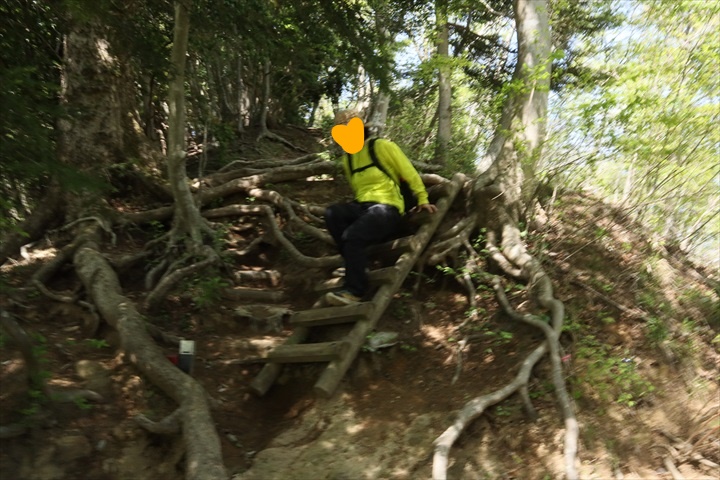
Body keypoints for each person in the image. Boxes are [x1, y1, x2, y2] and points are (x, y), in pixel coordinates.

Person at [324, 111, 438, 306]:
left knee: (353, 236)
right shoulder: (348, 159)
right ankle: (356, 264)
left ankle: (354, 291)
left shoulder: (382, 146)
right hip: (363, 207)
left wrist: (422, 198)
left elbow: (409, 172)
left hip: (388, 207)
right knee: (332, 213)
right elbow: (357, 189)